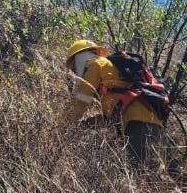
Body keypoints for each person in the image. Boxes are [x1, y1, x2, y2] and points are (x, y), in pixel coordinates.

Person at [64, 39, 173, 168]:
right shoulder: (111, 68)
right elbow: (112, 113)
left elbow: (80, 101)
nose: (75, 71)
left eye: (74, 67)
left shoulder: (96, 65)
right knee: (167, 176)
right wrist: (86, 124)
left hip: (137, 126)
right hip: (154, 124)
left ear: (80, 57)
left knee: (140, 174)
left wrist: (63, 127)